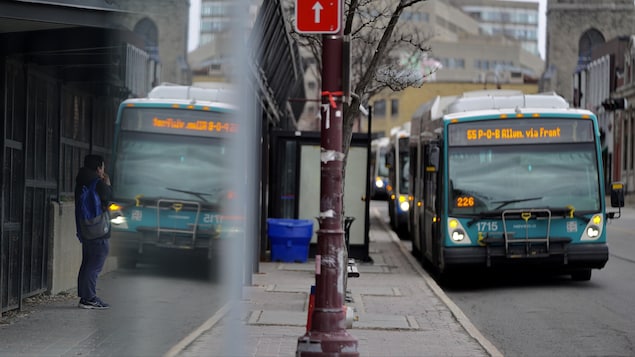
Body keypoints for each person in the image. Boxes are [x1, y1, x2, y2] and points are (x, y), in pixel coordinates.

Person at [75, 154, 112, 309]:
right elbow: (109, 200)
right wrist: (107, 183)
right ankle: (89, 298)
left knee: (87, 263)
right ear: (99, 168)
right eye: (102, 167)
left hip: (85, 228)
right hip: (99, 230)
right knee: (95, 264)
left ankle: (85, 297)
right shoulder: (98, 183)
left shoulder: (81, 180)